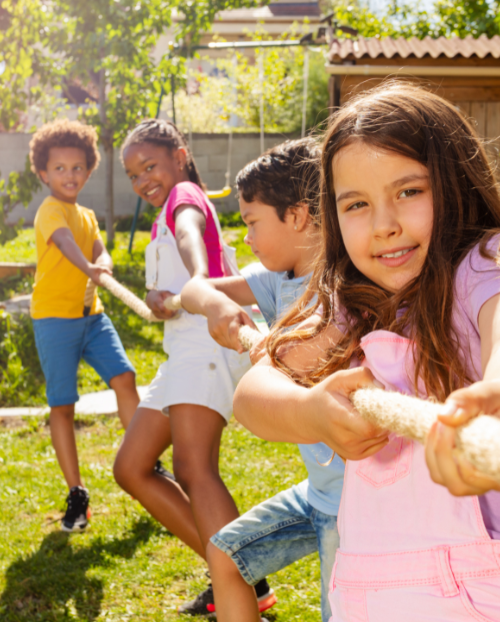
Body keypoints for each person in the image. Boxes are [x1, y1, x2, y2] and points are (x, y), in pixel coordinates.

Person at [233, 83, 500, 621]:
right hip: (379, 589)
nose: (385, 223)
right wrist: (310, 408)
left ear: (456, 184)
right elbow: (253, 393)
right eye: (357, 204)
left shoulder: (497, 263)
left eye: (409, 192)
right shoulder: (354, 302)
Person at [177, 138, 340, 621]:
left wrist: (267, 342)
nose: (245, 237)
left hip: (356, 504)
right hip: (319, 491)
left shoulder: (344, 288)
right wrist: (217, 305)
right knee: (226, 556)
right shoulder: (276, 281)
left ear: (298, 215)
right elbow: (193, 289)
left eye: (252, 222)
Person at [112, 119, 264, 615]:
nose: (142, 181)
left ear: (179, 155)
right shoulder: (165, 211)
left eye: (149, 165)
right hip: (183, 350)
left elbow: (189, 234)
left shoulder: (184, 197)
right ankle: (242, 576)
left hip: (208, 344)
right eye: (134, 175)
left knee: (194, 469)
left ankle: (240, 583)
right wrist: (165, 299)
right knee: (132, 468)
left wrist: (198, 279)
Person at [28, 119, 144, 533]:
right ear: (44, 173)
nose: (69, 175)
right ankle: (76, 492)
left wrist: (106, 263)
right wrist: (92, 268)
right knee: (63, 405)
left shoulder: (88, 216)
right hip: (54, 319)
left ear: (88, 170)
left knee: (125, 377)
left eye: (77, 168)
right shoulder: (49, 211)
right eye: (59, 169)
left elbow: (98, 248)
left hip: (91, 317)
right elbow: (66, 245)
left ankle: (145, 460)